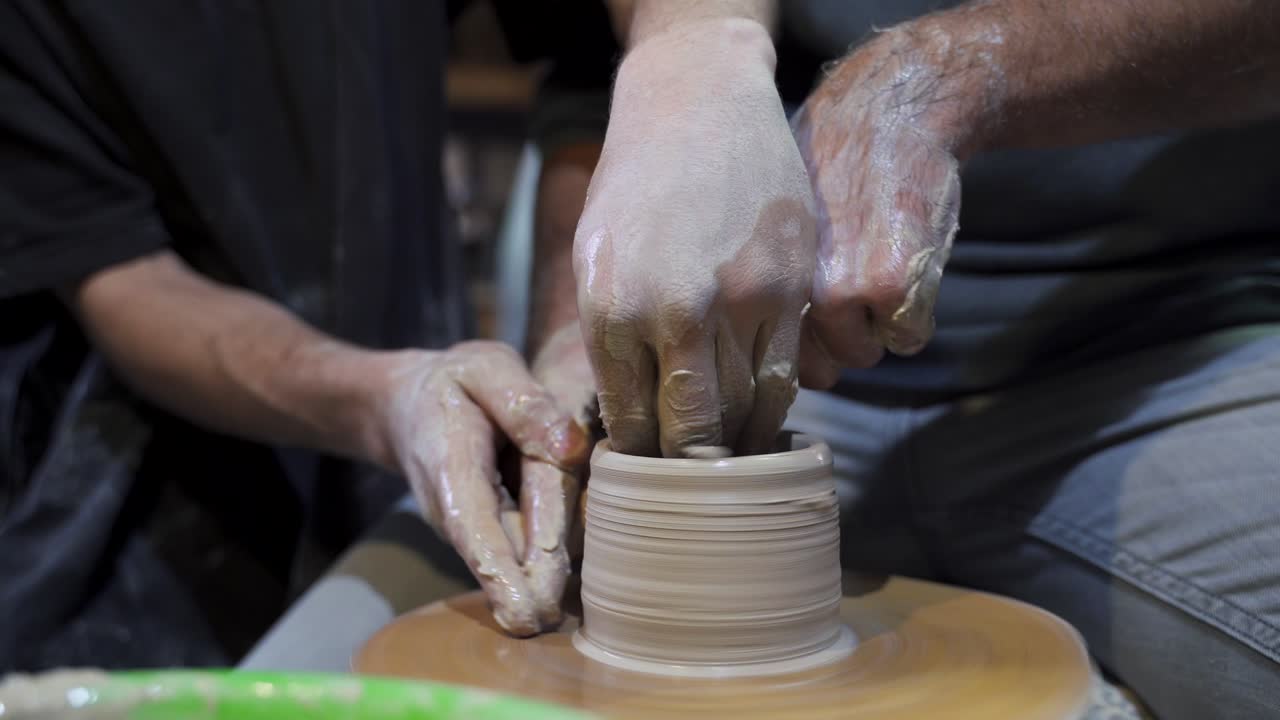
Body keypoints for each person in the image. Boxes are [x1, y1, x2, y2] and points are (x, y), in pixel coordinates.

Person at [557, 1, 1280, 718]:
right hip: (769, 346)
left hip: (1170, 349)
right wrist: (692, 43)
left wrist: (947, 74)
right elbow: (590, 95)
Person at [0, 0, 604, 669]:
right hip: (138, 496)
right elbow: (121, 275)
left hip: (421, 427)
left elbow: (592, 64)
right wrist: (392, 398)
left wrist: (574, 335)